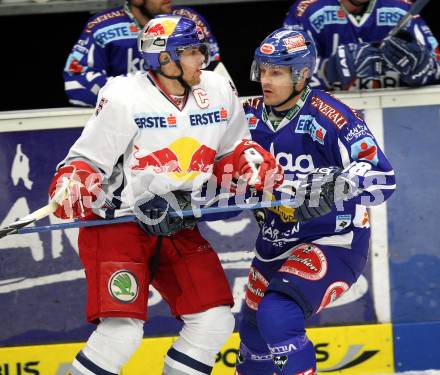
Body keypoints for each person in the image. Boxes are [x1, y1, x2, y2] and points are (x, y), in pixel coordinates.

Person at [50, 15, 281, 375]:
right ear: (164, 58)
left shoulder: (219, 90)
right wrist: (75, 181)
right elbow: (87, 160)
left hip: (176, 221)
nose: (201, 59)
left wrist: (246, 162)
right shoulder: (124, 96)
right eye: (190, 52)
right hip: (119, 225)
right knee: (121, 334)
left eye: (199, 50)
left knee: (214, 321)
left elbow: (231, 148)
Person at [235, 28, 396, 374]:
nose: (266, 80)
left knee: (277, 316)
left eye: (276, 72)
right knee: (253, 334)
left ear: (302, 74)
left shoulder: (332, 116)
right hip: (275, 243)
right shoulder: (244, 117)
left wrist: (335, 187)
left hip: (333, 241)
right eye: (263, 70)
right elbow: (209, 164)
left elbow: (383, 176)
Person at [63, 0, 227, 106]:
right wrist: (143, 96)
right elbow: (77, 81)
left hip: (187, 119)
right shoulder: (101, 27)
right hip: (129, 128)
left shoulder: (190, 21)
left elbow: (213, 73)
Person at [283, 0, 440, 90]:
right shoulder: (306, 10)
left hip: (398, 121)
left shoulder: (401, 9)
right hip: (329, 121)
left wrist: (425, 70)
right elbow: (284, 75)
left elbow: (437, 64)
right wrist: (327, 70)